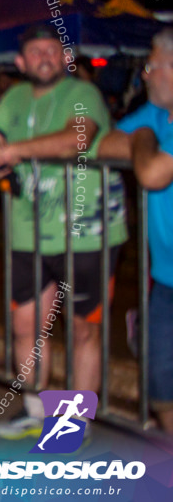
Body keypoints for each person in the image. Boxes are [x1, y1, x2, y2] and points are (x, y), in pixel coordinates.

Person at [0, 23, 127, 441]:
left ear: (64, 58)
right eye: (36, 51)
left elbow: (78, 139)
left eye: (53, 49)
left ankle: (72, 423)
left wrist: (14, 150)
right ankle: (36, 410)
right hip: (27, 233)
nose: (45, 57)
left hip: (86, 234)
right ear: (22, 61)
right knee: (26, 328)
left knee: (84, 329)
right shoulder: (14, 97)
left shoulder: (83, 95)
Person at [99, 27, 173, 435]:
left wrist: (143, 138)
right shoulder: (158, 115)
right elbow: (106, 145)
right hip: (165, 280)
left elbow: (152, 172)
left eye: (151, 66)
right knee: (160, 381)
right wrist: (146, 135)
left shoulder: (151, 124)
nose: (144, 75)